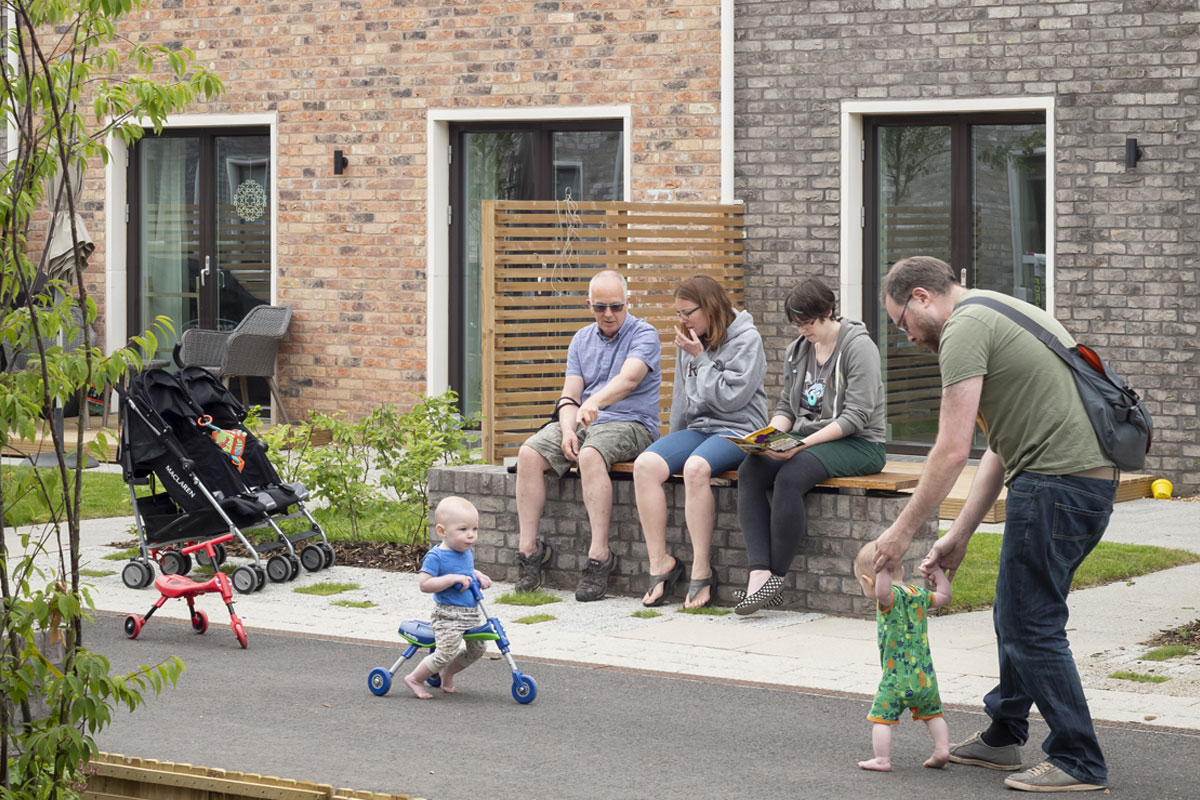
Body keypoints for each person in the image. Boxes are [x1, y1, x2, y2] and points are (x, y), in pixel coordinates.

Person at [872, 256, 1119, 793]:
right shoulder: (998, 309)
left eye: (901, 323)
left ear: (920, 297)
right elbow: (999, 448)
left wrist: (898, 534)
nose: (907, 337)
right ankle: (1004, 734)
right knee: (1016, 613)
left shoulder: (963, 329)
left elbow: (950, 450)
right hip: (1076, 483)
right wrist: (958, 532)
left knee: (1031, 624)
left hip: (1056, 484)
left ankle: (1079, 759)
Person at [734, 277, 886, 614]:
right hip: (809, 439)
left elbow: (856, 416)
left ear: (828, 312)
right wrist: (768, 437)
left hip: (860, 443)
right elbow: (787, 408)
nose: (803, 330)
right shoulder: (798, 351)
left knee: (791, 475)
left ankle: (776, 576)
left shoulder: (859, 348)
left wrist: (799, 447)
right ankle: (758, 573)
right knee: (752, 469)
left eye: (809, 322)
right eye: (798, 323)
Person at [514, 269, 663, 602]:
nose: (608, 314)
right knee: (528, 454)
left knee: (590, 454)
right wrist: (567, 428)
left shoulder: (645, 334)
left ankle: (599, 556)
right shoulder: (581, 339)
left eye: (615, 306)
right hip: (584, 421)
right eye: (599, 307)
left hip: (632, 422)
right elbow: (570, 396)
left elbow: (629, 381)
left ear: (628, 302)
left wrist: (593, 403)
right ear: (589, 305)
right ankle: (529, 551)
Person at [633, 275, 767, 608]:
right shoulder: (691, 339)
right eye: (678, 313)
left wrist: (701, 358)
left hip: (739, 429)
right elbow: (681, 396)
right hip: (700, 428)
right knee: (645, 465)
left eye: (687, 312)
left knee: (696, 468)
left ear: (709, 307)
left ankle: (702, 570)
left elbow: (732, 400)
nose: (682, 320)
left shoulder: (747, 339)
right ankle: (660, 563)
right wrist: (670, 442)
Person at [854, 540, 952, 772]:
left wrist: (881, 569)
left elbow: (883, 591)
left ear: (868, 581)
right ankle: (942, 749)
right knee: (933, 715)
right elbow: (945, 596)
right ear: (904, 571)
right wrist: (937, 572)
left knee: (881, 719)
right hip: (925, 677)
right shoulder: (918, 594)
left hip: (896, 678)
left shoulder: (888, 598)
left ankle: (882, 760)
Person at [403, 496, 492, 699]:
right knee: (446, 652)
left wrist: (477, 575)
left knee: (478, 648)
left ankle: (447, 672)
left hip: (470, 614)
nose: (471, 536)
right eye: (463, 530)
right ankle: (415, 678)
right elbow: (425, 584)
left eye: (474, 529)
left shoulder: (466, 551)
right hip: (447, 616)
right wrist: (451, 579)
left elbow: (466, 571)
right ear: (442, 531)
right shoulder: (436, 557)